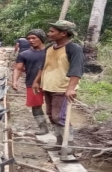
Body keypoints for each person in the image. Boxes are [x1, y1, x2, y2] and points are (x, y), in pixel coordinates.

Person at [32, 20, 85, 161]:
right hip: (49, 86)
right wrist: (37, 81)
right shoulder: (50, 47)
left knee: (59, 117)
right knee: (51, 115)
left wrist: (71, 88)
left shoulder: (74, 48)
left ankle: (69, 146)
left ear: (63, 33)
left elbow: (76, 70)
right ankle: (59, 142)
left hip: (62, 88)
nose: (49, 33)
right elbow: (43, 66)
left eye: (52, 31)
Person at [11, 29, 48, 135]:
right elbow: (18, 68)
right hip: (32, 82)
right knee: (36, 106)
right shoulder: (24, 54)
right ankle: (43, 127)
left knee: (53, 108)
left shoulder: (50, 52)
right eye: (29, 39)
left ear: (41, 38)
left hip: (50, 83)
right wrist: (14, 81)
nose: (31, 40)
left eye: (34, 38)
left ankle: (60, 132)